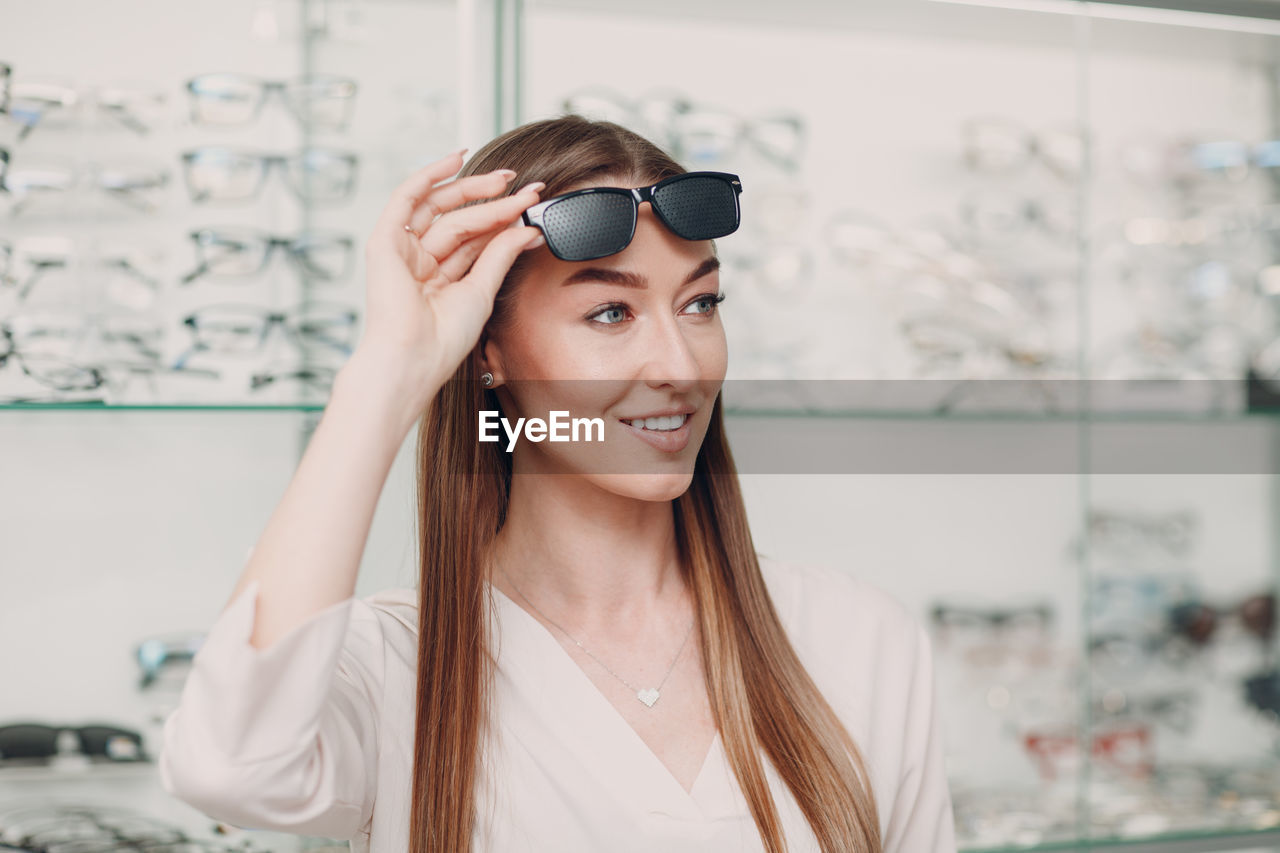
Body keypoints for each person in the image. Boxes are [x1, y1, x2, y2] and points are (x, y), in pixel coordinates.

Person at [157, 114, 957, 853]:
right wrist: (385, 375)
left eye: (701, 303)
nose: (680, 367)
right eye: (611, 313)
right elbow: (230, 767)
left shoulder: (855, 639)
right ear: (486, 350)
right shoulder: (398, 667)